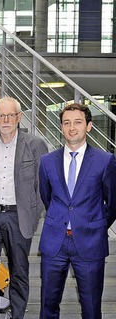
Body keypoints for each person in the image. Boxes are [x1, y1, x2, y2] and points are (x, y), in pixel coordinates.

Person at [0, 97, 48, 319]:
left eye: (10, 115)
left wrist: (33, 216)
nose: (5, 120)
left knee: (20, 273)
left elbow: (41, 185)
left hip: (19, 217)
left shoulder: (35, 145)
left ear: (19, 117)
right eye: (1, 115)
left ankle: (17, 315)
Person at [39, 103, 116, 319]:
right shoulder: (46, 161)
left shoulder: (105, 161)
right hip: (55, 242)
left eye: (78, 122)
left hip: (90, 242)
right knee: (48, 306)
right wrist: (61, 219)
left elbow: (113, 203)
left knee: (91, 308)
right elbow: (47, 197)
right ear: (61, 127)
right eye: (67, 123)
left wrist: (93, 224)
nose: (72, 127)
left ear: (89, 126)